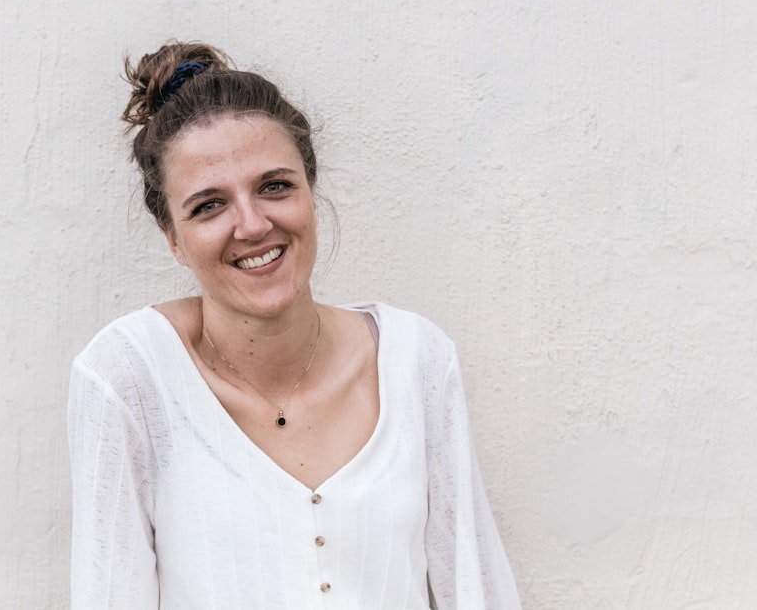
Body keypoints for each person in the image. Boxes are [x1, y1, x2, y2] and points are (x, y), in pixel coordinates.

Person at [68, 41, 521, 609]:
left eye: (274, 186)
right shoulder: (127, 377)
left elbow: (473, 589)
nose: (253, 224)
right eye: (209, 205)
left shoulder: (418, 361)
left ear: (311, 189)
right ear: (172, 238)